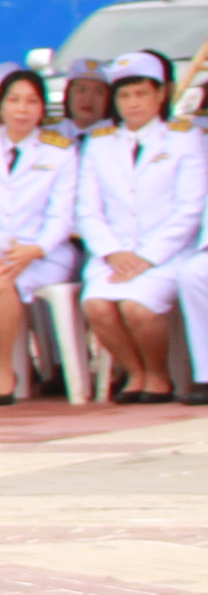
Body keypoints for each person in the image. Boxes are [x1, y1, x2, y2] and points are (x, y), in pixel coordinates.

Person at [74, 48, 200, 402]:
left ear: (161, 94)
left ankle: (159, 376)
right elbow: (88, 210)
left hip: (166, 252)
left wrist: (146, 257)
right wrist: (112, 252)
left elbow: (189, 209)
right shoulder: (100, 144)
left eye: (142, 93)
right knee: (97, 306)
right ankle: (136, 373)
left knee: (137, 308)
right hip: (113, 253)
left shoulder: (183, 139)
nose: (133, 103)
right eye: (125, 95)